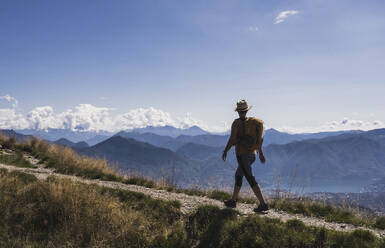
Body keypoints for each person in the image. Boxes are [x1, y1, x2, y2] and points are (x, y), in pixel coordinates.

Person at [222, 99, 268, 212]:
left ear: (238, 111)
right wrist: (261, 153)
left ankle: (263, 204)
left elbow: (232, 139)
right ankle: (233, 201)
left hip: (243, 156)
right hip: (253, 155)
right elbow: (259, 140)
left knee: (250, 178)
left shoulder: (236, 123)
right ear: (246, 111)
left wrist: (225, 150)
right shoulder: (253, 124)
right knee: (238, 175)